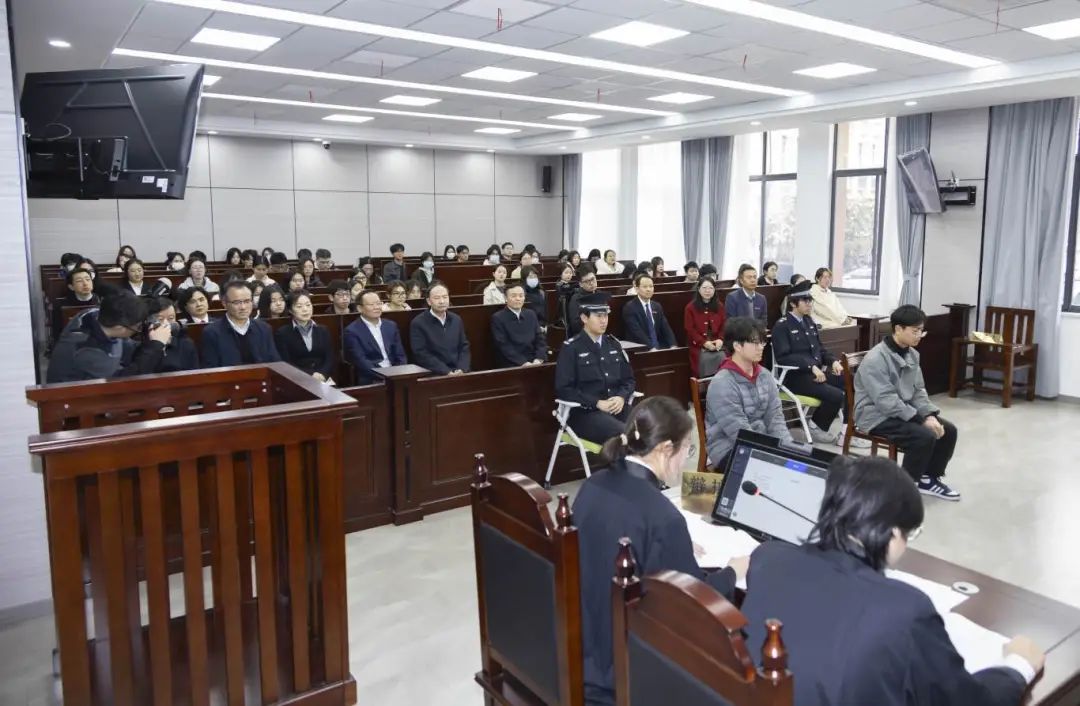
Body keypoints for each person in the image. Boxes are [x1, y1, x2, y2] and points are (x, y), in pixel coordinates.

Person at [740, 455, 1043, 706]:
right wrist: (1018, 666)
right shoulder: (905, 609)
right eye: (911, 534)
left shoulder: (768, 559)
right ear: (893, 532)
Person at [574, 396, 748, 706]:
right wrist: (734, 571)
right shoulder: (663, 517)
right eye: (687, 449)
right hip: (624, 667)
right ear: (666, 448)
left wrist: (673, 544)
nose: (685, 460)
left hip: (583, 644)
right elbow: (693, 604)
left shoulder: (592, 484)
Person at [854, 305, 960, 500]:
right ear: (898, 329)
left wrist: (929, 415)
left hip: (901, 410)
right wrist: (920, 420)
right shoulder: (876, 359)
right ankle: (905, 489)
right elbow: (886, 400)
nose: (919, 335)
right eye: (915, 331)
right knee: (922, 436)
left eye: (921, 331)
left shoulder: (911, 354)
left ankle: (928, 479)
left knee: (948, 430)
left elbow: (918, 390)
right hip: (874, 414)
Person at [771, 279, 863, 446]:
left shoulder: (809, 321)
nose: (809, 304)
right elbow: (783, 357)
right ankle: (815, 426)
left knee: (851, 382)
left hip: (816, 373)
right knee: (837, 395)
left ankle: (846, 433)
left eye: (810, 300)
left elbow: (820, 349)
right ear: (793, 303)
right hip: (795, 377)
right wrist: (811, 366)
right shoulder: (782, 326)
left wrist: (833, 361)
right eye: (805, 300)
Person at [704, 317, 791, 468]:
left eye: (762, 342)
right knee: (772, 471)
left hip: (761, 441)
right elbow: (738, 431)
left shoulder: (764, 375)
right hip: (728, 447)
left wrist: (788, 448)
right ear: (737, 346)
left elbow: (775, 417)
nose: (761, 347)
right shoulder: (722, 382)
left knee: (796, 464)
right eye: (755, 343)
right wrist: (771, 455)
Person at [554, 292, 635, 443]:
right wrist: (596, 402)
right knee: (625, 434)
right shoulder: (571, 348)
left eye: (606, 316)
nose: (604, 321)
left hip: (616, 407)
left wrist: (621, 397)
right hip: (585, 413)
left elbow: (629, 380)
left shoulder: (613, 344)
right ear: (584, 318)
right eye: (598, 316)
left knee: (648, 426)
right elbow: (564, 389)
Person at [47, 294, 173, 382]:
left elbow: (130, 348)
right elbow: (128, 380)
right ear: (119, 327)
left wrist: (154, 341)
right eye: (138, 327)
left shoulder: (94, 314)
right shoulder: (89, 351)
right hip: (73, 400)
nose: (139, 329)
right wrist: (156, 344)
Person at [201, 281, 281, 367]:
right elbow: (211, 369)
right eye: (237, 302)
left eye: (247, 301)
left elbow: (275, 363)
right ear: (224, 303)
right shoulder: (212, 332)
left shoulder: (264, 329)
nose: (243, 307)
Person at [344, 290, 408, 384]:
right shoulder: (352, 331)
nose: (377, 307)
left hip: (395, 374)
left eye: (379, 303)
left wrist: (398, 373)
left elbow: (400, 354)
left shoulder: (391, 325)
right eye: (371, 304)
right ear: (360, 308)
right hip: (372, 377)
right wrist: (385, 376)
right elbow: (361, 361)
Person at [409, 281, 470, 375]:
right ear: (429, 301)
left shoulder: (456, 319)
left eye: (445, 297)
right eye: (437, 298)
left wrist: (462, 369)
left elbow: (464, 347)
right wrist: (446, 371)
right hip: (435, 374)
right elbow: (421, 354)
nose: (442, 301)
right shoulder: (418, 323)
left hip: (459, 372)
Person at [275, 291, 334, 382]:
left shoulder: (323, 330)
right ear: (290, 310)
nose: (305, 309)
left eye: (308, 305)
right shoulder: (283, 333)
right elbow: (286, 363)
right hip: (297, 380)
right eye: (299, 306)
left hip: (323, 379)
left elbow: (329, 357)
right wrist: (310, 375)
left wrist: (323, 374)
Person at [490, 282, 546, 368]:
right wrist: (523, 363)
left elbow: (540, 339)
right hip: (512, 363)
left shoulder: (531, 314)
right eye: (513, 296)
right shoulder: (498, 318)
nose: (518, 299)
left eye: (521, 296)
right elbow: (503, 345)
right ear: (505, 298)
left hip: (535, 361)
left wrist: (539, 358)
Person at [621, 274, 676, 350]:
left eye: (651, 286)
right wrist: (651, 348)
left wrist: (673, 345)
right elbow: (637, 332)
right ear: (637, 289)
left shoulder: (657, 306)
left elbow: (666, 328)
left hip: (658, 347)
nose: (648, 289)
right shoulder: (629, 307)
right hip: (640, 348)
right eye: (645, 287)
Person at [683, 277, 725, 377]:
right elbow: (690, 329)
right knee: (705, 359)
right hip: (698, 345)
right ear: (698, 289)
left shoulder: (719, 306)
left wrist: (720, 339)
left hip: (717, 343)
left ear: (714, 290)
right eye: (704, 288)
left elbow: (724, 325)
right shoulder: (690, 308)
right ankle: (705, 385)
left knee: (722, 357)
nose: (707, 291)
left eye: (711, 288)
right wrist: (703, 343)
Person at [151, 298, 200, 372]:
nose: (166, 323)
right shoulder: (143, 346)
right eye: (160, 319)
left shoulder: (186, 344)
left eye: (171, 318)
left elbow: (195, 374)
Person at [53, 267, 99, 341]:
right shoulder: (61, 306)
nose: (85, 283)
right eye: (79, 281)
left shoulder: (103, 302)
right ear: (71, 287)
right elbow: (57, 333)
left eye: (88, 279)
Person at [567, 270, 599, 337]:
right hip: (583, 336)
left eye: (593, 279)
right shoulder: (575, 299)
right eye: (587, 281)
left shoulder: (599, 294)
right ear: (580, 284)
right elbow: (575, 326)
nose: (591, 283)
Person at [555, 263, 579, 328]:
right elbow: (565, 291)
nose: (569, 275)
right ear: (561, 274)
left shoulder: (570, 284)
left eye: (570, 273)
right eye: (566, 273)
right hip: (563, 310)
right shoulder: (559, 284)